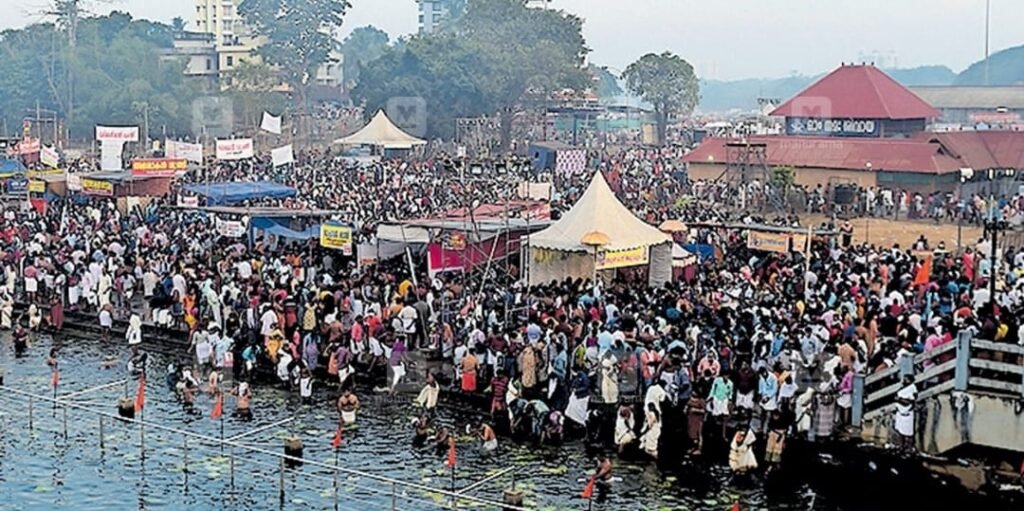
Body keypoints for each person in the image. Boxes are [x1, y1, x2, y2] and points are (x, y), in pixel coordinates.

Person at [894, 374, 917, 452]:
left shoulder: (912, 388)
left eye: (906, 379)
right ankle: (901, 447)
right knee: (900, 431)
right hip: (900, 412)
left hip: (907, 413)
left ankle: (910, 448)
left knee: (909, 432)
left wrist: (899, 399)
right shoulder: (902, 387)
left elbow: (910, 401)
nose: (904, 381)